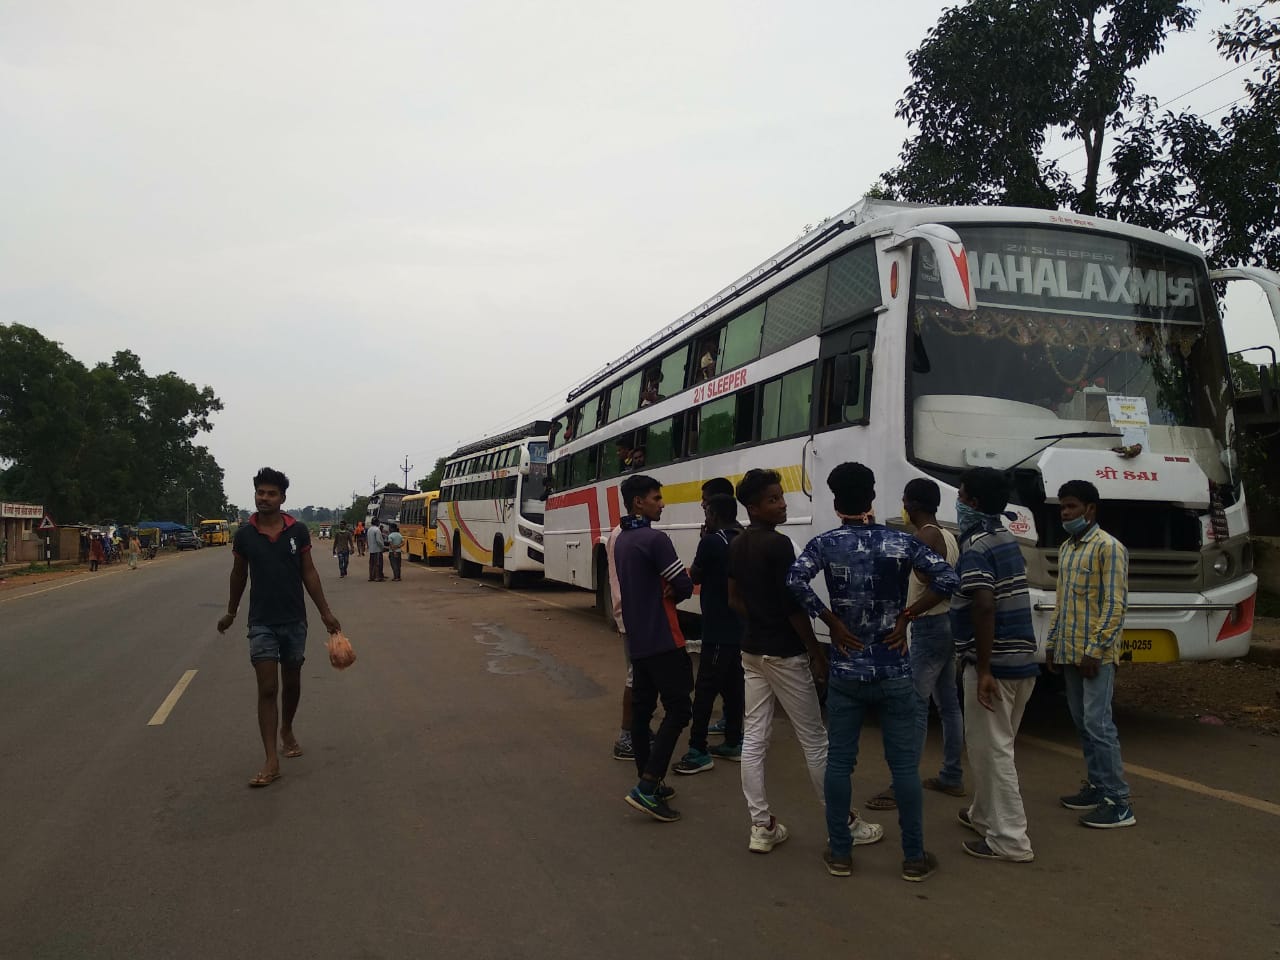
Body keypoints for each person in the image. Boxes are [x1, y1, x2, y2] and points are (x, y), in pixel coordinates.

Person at [788, 463, 956, 881]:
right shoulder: (901, 541)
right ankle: (914, 858)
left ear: (834, 500)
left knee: (840, 763)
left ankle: (841, 854)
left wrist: (829, 620)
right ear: (873, 496)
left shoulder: (825, 544)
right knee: (903, 768)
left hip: (846, 670)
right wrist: (908, 617)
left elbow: (793, 581)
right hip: (895, 667)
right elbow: (949, 578)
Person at [729, 468, 883, 856]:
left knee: (754, 738)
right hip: (784, 652)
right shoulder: (778, 545)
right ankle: (844, 823)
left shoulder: (738, 543)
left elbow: (733, 599)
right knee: (815, 741)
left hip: (751, 651)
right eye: (772, 500)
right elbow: (795, 607)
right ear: (753, 507)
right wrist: (816, 653)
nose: (781, 505)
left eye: (781, 497)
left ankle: (761, 826)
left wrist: (760, 622)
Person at [217, 467, 342, 788]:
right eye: (260, 492)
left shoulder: (297, 531)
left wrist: (326, 614)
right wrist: (231, 612)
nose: (265, 498)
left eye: (271, 493)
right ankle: (271, 759)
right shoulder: (244, 535)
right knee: (268, 688)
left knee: (292, 682)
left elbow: (309, 573)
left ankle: (287, 727)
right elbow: (238, 576)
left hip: (294, 621)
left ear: (282, 498)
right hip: (260, 622)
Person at [951, 467, 1040, 862]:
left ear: (970, 502)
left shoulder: (976, 546)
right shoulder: (1006, 536)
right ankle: (982, 815)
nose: (958, 499)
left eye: (961, 493)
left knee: (992, 750)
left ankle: (1009, 840)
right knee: (995, 745)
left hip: (995, 665)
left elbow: (984, 604)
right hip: (1021, 659)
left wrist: (983, 669)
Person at [867, 478, 965, 810]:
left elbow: (936, 583)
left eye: (905, 501)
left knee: (915, 706)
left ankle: (901, 784)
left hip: (929, 625)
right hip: (946, 623)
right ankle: (952, 774)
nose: (903, 507)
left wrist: (907, 614)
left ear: (913, 504)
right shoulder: (948, 535)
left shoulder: (925, 537)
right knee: (948, 704)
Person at [1046, 480, 1135, 829]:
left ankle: (1119, 801)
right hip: (1069, 650)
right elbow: (1062, 601)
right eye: (1062, 508)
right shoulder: (1068, 548)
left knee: (1099, 725)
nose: (1066, 514)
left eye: (1071, 507)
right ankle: (1097, 787)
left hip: (1093, 654)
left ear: (1090, 509)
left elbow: (1115, 605)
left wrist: (1095, 650)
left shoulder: (1108, 548)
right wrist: (1052, 643)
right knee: (1083, 724)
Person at [615, 473, 695, 822]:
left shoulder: (622, 540)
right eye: (656, 498)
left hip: (638, 640)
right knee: (679, 710)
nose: (662, 504)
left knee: (644, 711)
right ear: (639, 502)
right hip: (665, 638)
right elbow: (683, 585)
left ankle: (648, 777)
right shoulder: (656, 539)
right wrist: (676, 588)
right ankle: (647, 787)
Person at [673, 494, 746, 774]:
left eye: (706, 512)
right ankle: (733, 741)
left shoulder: (713, 541)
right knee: (733, 686)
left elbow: (696, 577)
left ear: (713, 515)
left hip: (718, 626)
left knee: (704, 689)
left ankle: (697, 749)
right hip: (740, 626)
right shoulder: (743, 536)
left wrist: (704, 540)